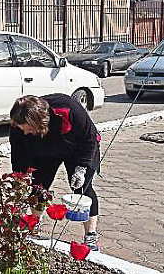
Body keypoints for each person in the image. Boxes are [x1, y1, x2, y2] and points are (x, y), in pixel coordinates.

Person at [9, 94, 101, 251]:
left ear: (39, 123)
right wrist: (21, 181)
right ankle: (34, 226)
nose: (24, 133)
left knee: (83, 189)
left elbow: (89, 139)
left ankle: (90, 236)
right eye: (22, 129)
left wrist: (81, 168)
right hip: (44, 152)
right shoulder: (18, 127)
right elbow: (19, 157)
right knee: (38, 187)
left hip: (77, 148)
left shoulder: (68, 109)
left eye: (29, 129)